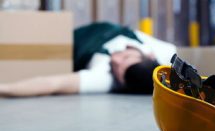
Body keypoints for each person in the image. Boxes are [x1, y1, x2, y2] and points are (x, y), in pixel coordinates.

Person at [0, 22, 176, 97]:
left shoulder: (104, 79)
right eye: (126, 58)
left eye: (118, 70)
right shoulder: (164, 51)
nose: (116, 61)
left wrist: (4, 88)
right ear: (149, 56)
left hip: (70, 40)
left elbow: (53, 84)